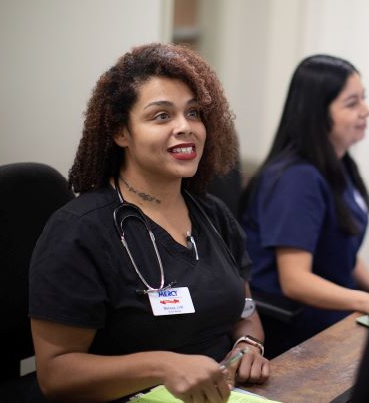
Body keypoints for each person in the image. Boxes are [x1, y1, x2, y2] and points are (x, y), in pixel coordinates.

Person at [29, 43, 269, 403]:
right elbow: (55, 374)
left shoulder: (213, 214)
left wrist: (248, 342)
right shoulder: (80, 230)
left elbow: (245, 308)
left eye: (194, 113)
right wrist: (162, 366)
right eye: (161, 116)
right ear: (120, 132)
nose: (185, 127)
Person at [239, 54, 369, 357]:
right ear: (318, 113)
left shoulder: (340, 165)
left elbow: (343, 252)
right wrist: (366, 301)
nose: (366, 110)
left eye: (363, 99)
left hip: (333, 307)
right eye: (352, 103)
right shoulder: (296, 179)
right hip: (301, 323)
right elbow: (295, 281)